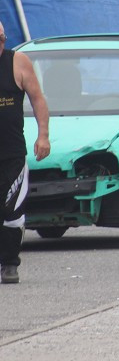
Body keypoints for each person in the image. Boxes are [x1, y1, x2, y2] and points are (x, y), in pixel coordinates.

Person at [0, 21, 49, 285]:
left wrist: (43, 136)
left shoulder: (18, 62)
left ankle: (9, 264)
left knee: (12, 210)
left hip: (11, 154)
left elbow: (38, 98)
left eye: (1, 39)